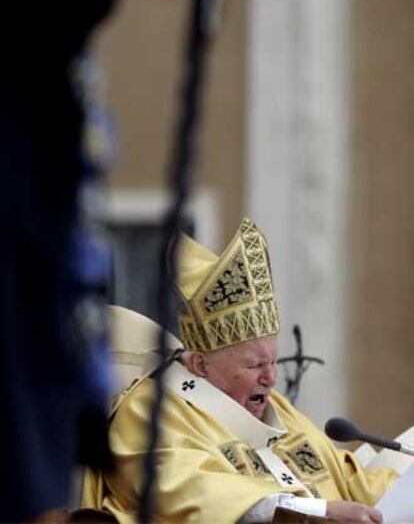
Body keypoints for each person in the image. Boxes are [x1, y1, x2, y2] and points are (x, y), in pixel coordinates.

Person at [81, 218, 398, 523]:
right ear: (199, 364)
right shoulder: (148, 411)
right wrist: (311, 511)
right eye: (254, 365)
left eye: (273, 361)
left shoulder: (278, 413)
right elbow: (191, 492)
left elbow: (352, 481)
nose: (271, 378)